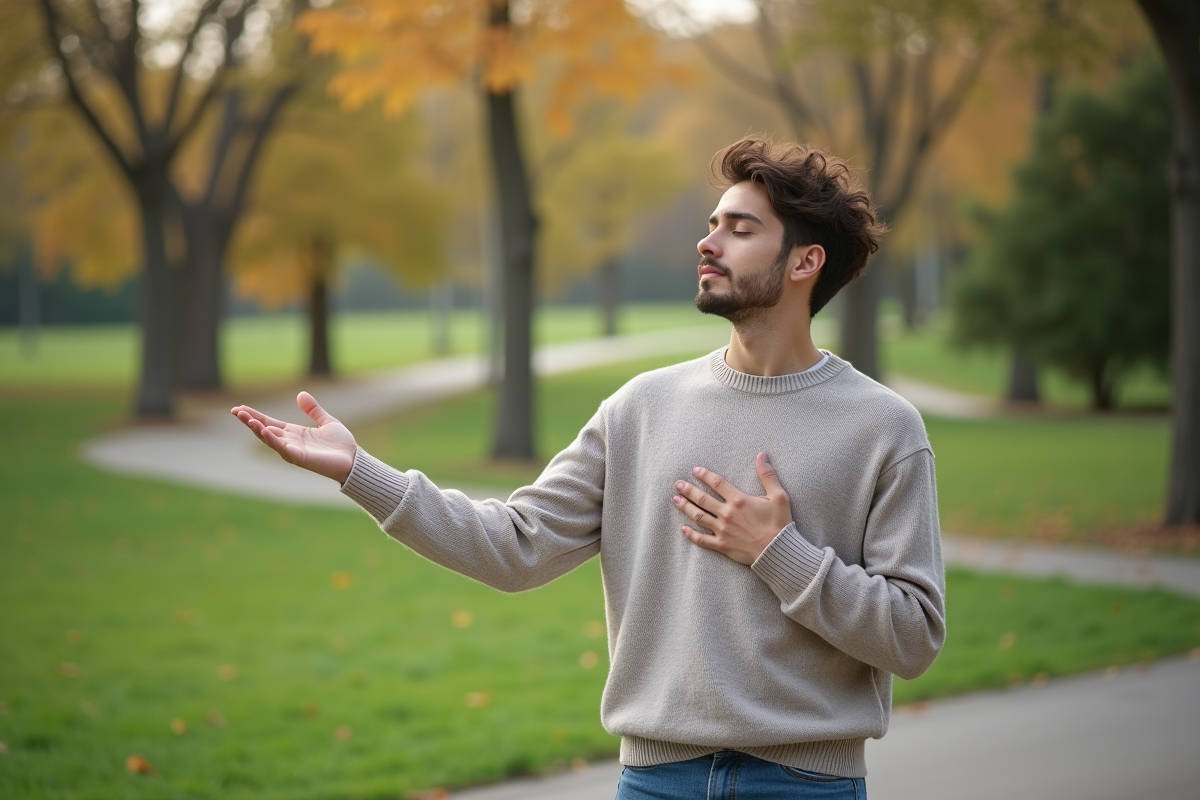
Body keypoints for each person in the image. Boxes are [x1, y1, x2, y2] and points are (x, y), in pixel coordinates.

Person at [231, 136, 945, 799]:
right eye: (713, 222)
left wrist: (778, 553)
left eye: (740, 228)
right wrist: (361, 471)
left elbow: (913, 638)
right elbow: (513, 548)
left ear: (803, 262)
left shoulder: (882, 428)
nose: (708, 240)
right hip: (655, 781)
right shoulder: (640, 408)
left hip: (805, 785)